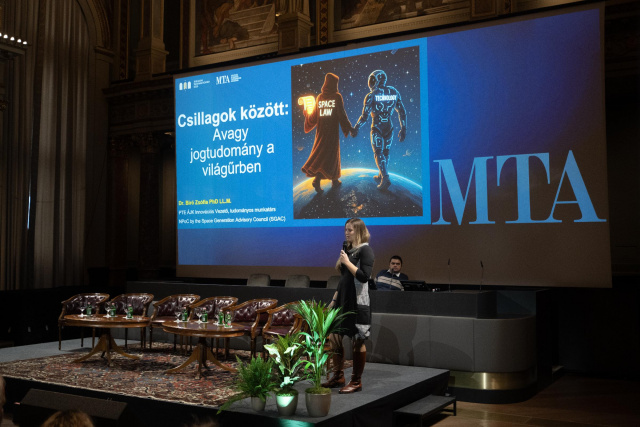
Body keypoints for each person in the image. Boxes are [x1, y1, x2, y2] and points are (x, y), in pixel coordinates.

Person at [325, 218, 374, 393]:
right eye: (346, 229)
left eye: (350, 230)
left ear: (359, 231)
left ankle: (356, 381)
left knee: (357, 341)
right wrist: (333, 300)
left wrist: (347, 262)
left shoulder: (365, 250)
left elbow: (364, 277)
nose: (346, 233)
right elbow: (343, 280)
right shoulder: (348, 250)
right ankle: (338, 376)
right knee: (334, 337)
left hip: (358, 303)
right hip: (342, 301)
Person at [351, 69, 407, 190]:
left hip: (377, 126)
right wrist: (403, 128)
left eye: (372, 80)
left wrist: (356, 127)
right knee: (385, 152)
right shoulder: (394, 91)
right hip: (389, 126)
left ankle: (385, 178)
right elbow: (402, 111)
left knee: (378, 152)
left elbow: (364, 116)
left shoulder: (371, 95)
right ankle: (381, 175)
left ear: (376, 80)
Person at [301, 72, 354, 193]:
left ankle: (332, 180)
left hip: (321, 134)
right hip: (332, 134)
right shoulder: (337, 96)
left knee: (322, 156)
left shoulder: (319, 97)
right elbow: (342, 115)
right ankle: (322, 180)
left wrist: (307, 115)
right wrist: (349, 128)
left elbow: (313, 117)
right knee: (331, 157)